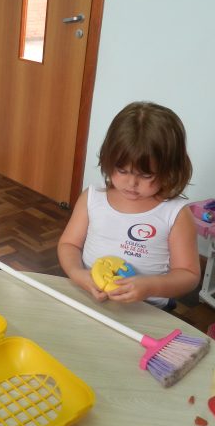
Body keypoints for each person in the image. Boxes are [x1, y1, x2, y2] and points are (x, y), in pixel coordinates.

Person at [57, 101, 200, 310]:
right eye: (122, 171)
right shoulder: (92, 198)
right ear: (108, 158)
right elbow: (69, 245)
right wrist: (77, 273)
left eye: (146, 175)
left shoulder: (176, 214)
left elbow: (189, 275)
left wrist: (150, 287)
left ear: (170, 169)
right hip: (88, 297)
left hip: (146, 309)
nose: (131, 183)